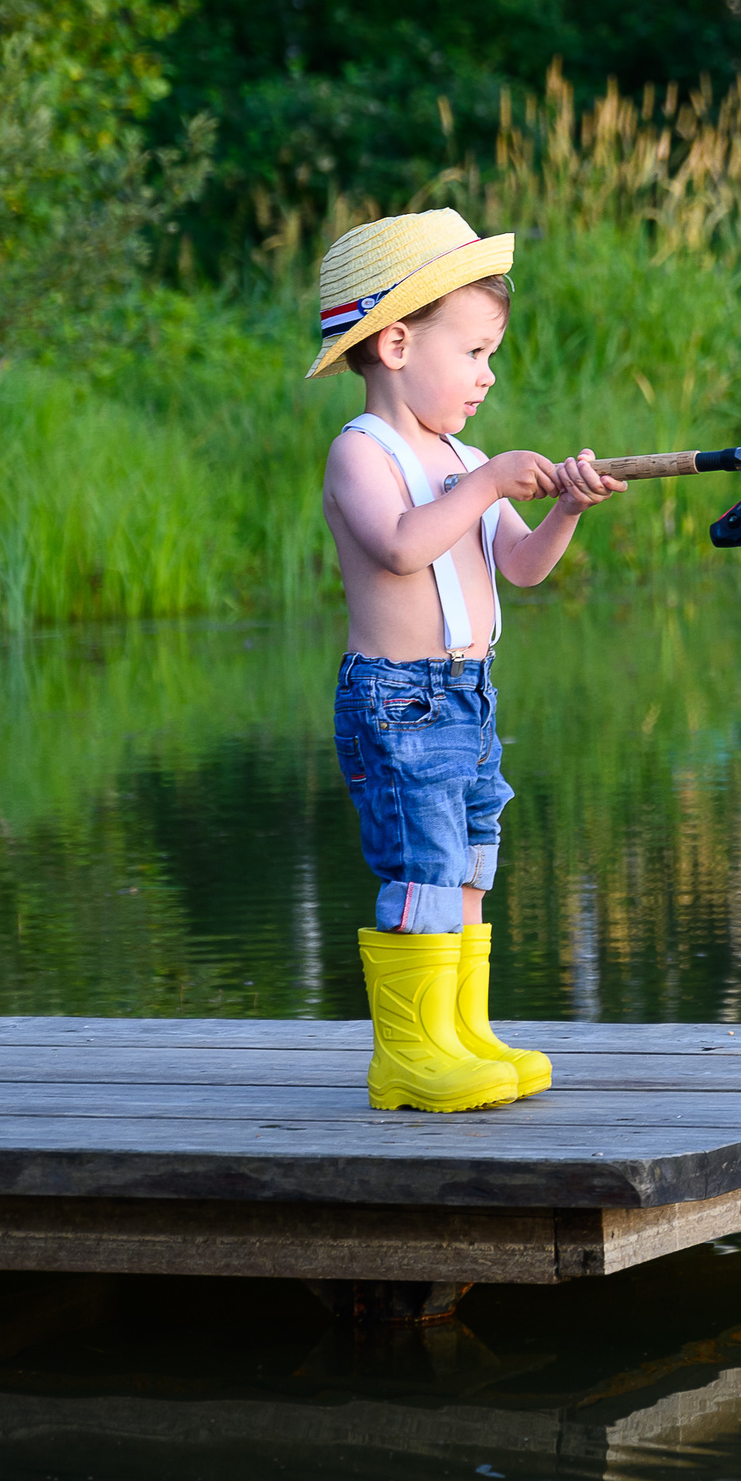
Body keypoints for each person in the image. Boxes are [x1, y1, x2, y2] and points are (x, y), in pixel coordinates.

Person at [310, 209, 624, 1112]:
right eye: (475, 352)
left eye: (492, 354)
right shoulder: (361, 453)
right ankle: (410, 1055)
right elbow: (403, 546)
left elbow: (520, 566)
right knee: (424, 865)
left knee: (470, 863)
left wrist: (565, 508)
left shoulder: (465, 455)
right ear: (397, 344)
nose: (488, 374)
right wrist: (484, 483)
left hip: (468, 697)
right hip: (398, 702)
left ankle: (462, 1033)